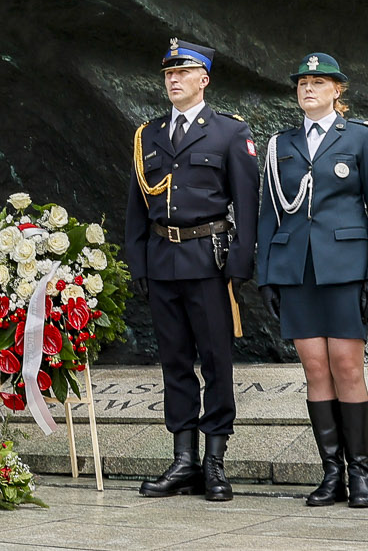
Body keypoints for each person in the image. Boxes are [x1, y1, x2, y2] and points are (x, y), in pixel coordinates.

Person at [125, 38, 259, 501]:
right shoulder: (149, 134)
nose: (174, 80)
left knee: (217, 361)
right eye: (168, 74)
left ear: (204, 79)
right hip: (163, 260)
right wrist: (138, 259)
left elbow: (246, 201)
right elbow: (136, 207)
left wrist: (241, 262)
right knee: (175, 362)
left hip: (209, 260)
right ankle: (184, 460)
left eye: (182, 73)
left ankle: (215, 461)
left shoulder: (229, 132)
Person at [254, 53, 368, 509]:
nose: (308, 88)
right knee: (314, 369)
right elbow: (269, 212)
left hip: (345, 267)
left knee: (348, 367)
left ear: (338, 91)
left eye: (318, 82)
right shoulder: (280, 144)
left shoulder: (360, 138)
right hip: (297, 270)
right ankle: (332, 474)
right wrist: (267, 277)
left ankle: (360, 473)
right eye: (302, 82)